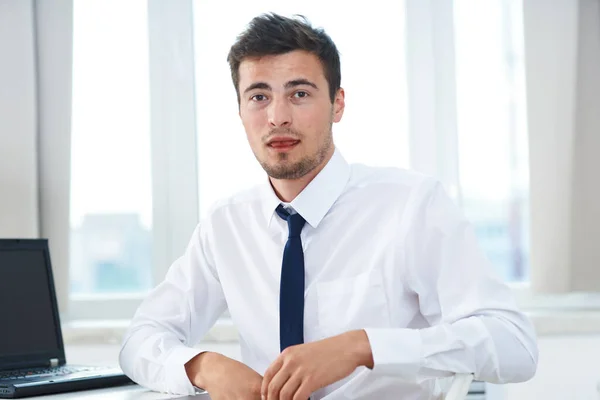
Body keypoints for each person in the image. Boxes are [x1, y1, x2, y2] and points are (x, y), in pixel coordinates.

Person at [119, 13, 538, 400]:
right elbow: (140, 339)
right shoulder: (225, 224)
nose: (278, 117)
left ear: (338, 104)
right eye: (259, 97)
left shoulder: (412, 205)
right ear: (241, 111)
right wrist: (202, 366)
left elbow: (514, 344)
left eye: (299, 93)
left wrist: (363, 346)